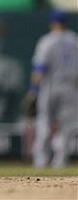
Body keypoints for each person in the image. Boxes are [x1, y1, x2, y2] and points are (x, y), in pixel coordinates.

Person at [25, 10, 78, 168]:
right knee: (67, 125)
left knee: (44, 122)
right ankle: (60, 162)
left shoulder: (47, 41)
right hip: (70, 86)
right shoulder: (74, 40)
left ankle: (40, 161)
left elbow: (40, 68)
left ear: (53, 23)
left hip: (50, 85)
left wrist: (33, 90)